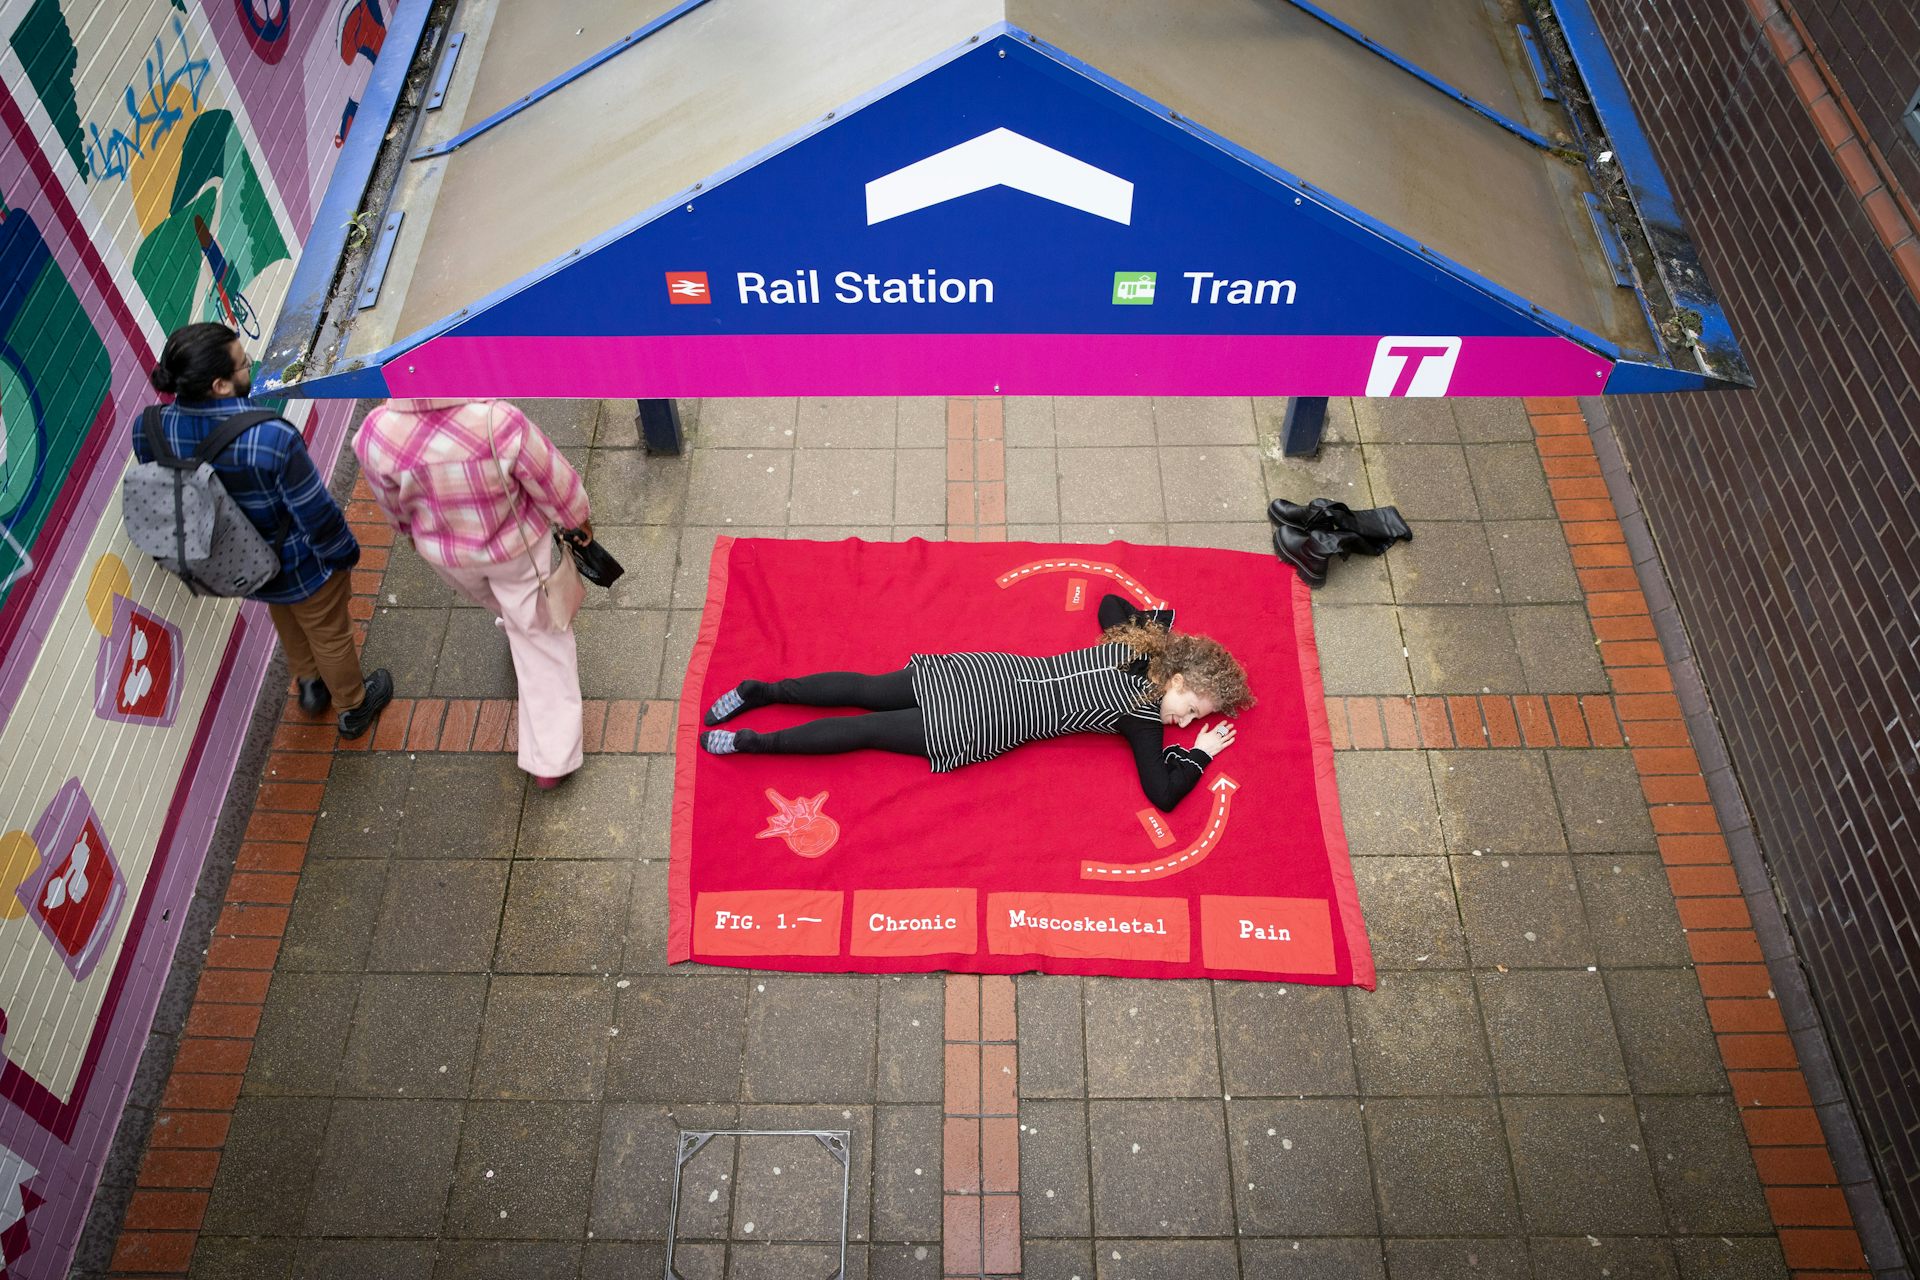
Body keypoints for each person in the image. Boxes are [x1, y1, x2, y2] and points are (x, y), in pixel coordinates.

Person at [700, 595, 1253, 812]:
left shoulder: (1130, 645)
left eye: (1195, 721)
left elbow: (1109, 603)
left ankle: (762, 692)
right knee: (865, 725)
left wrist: (1163, 636)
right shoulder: (1141, 723)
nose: (1185, 722)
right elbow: (1162, 794)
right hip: (986, 721)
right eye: (1192, 706)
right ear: (1177, 676)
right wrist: (1199, 755)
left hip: (986, 672)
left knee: (867, 690)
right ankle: (755, 742)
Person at [140, 323, 392, 737]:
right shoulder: (269, 437)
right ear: (220, 384)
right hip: (301, 563)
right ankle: (354, 706)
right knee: (330, 632)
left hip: (242, 566)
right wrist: (344, 554)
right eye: (243, 365)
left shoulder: (148, 429)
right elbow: (316, 513)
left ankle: (310, 686)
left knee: (285, 615)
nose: (250, 367)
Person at [353, 398, 592, 788]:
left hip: (448, 556)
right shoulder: (498, 421)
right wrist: (577, 519)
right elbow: (553, 481)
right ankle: (551, 757)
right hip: (513, 550)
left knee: (499, 603)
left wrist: (412, 535)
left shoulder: (375, 432)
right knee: (540, 638)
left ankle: (513, 617)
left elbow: (392, 506)